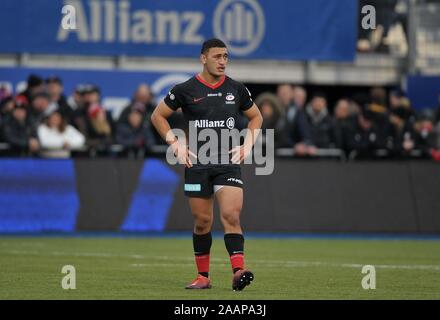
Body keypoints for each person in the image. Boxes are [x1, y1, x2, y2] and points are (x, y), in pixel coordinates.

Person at [150, 38, 262, 291]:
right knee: (202, 221)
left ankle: (238, 271)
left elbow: (256, 117)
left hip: (227, 163)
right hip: (197, 164)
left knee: (231, 215)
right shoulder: (185, 89)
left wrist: (248, 144)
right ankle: (203, 277)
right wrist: (175, 143)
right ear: (203, 58)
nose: (223, 61)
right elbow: (158, 116)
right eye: (217, 56)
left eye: (226, 57)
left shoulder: (237, 89)